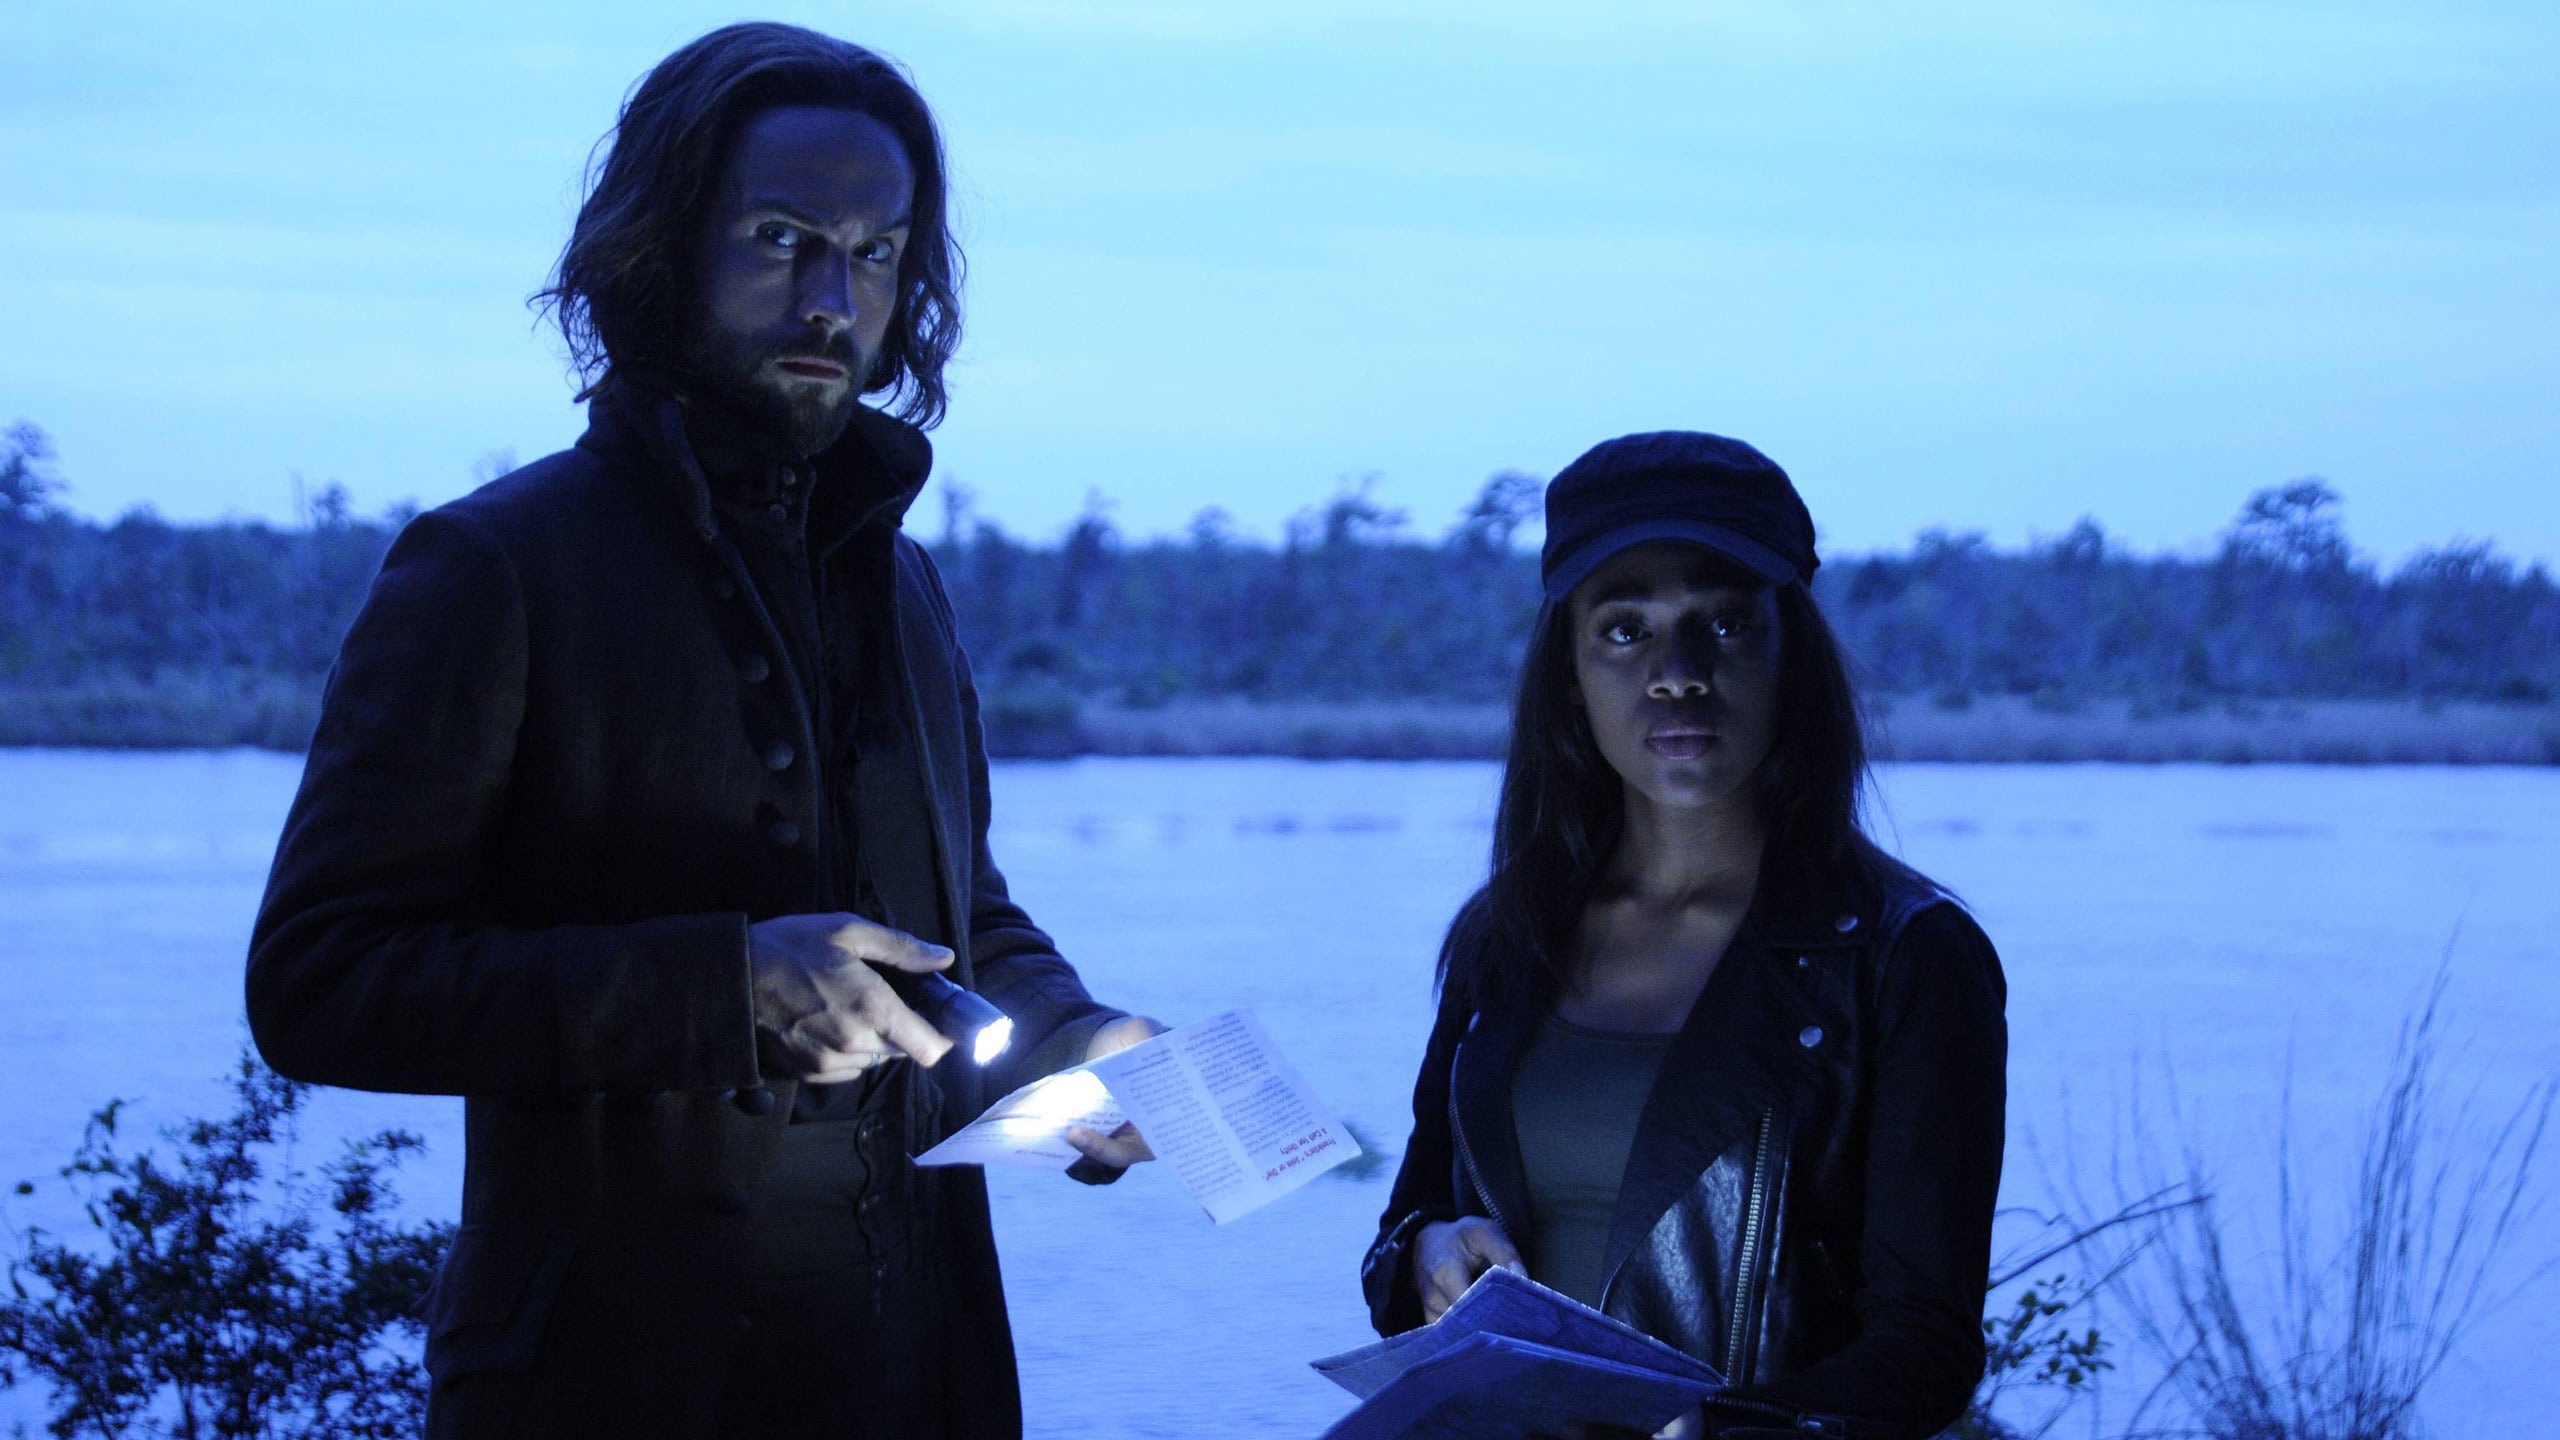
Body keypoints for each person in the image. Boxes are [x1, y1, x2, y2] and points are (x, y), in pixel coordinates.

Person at [245, 23, 1157, 1440]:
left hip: (919, 1380)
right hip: (602, 1391)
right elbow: (318, 981)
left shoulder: (906, 584)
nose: (831, 299)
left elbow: (962, 922)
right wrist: (723, 988)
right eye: (781, 239)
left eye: (875, 252)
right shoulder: (495, 567)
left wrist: (1075, 1036)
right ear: (663, 247)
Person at [1360, 433, 2008, 1439]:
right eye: (1625, 630)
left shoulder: (1906, 958)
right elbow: (1409, 1225)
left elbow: (1926, 1347)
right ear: (1570, 673)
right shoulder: (1508, 934)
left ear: (1791, 657)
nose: (1676, 673)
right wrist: (1428, 1255)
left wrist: (1715, 1428)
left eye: (1726, 624)